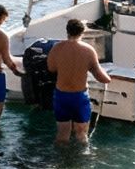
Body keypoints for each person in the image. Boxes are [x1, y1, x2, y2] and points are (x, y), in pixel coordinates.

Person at [46, 18, 111, 146]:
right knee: (81, 135)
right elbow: (101, 77)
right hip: (79, 97)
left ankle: (60, 162)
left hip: (61, 96)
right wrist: (108, 77)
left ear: (67, 31)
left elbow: (51, 68)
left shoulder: (56, 48)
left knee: (62, 135)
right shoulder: (88, 50)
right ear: (83, 32)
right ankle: (82, 164)